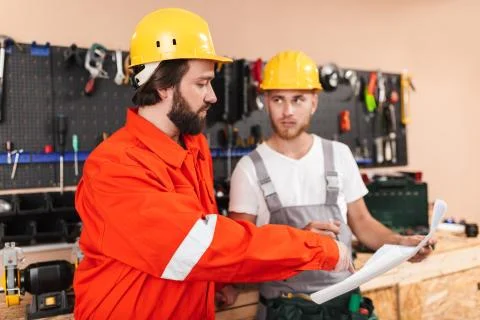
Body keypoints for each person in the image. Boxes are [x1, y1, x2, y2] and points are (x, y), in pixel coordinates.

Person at [73, 9, 354, 320]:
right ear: (164, 85)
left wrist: (220, 280)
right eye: (202, 83)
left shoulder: (193, 147)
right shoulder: (116, 166)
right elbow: (196, 248)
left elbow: (210, 242)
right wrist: (314, 248)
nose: (213, 96)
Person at [227, 50, 436, 320]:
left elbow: (363, 223)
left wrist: (400, 244)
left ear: (314, 102)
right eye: (278, 99)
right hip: (286, 309)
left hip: (344, 307)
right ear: (266, 101)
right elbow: (239, 254)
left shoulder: (339, 154)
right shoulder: (249, 168)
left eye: (298, 99)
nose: (288, 111)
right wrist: (298, 242)